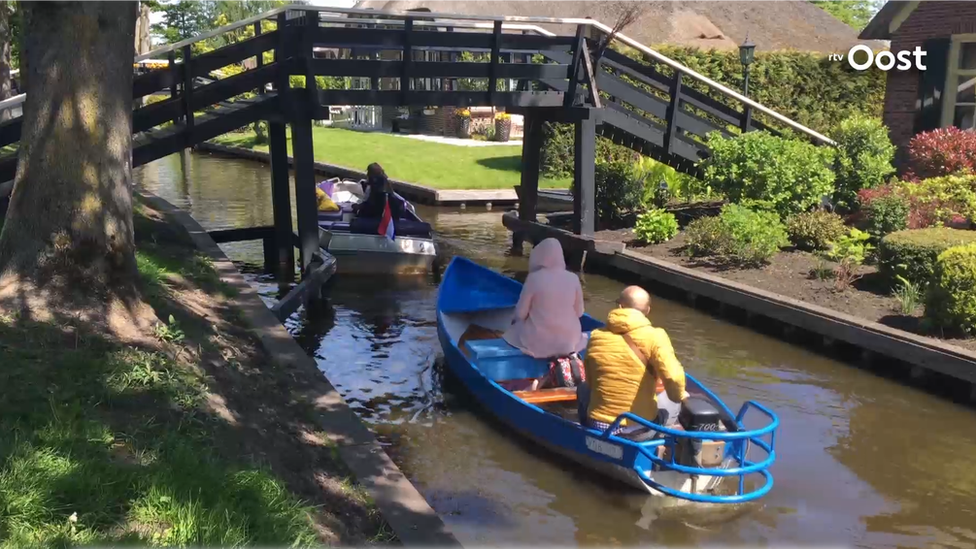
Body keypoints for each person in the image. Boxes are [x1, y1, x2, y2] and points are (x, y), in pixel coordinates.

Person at [578, 286, 690, 438]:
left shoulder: (597, 336)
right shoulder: (656, 336)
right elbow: (674, 378)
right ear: (648, 310)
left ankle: (590, 435)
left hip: (599, 426)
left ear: (619, 306)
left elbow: (590, 381)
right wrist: (682, 397)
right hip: (638, 430)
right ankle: (658, 444)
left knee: (583, 388)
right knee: (673, 401)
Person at [502, 238, 588, 389]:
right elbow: (580, 312)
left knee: (513, 330)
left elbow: (520, 314)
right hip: (569, 341)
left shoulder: (534, 278)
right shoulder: (573, 278)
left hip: (539, 341)